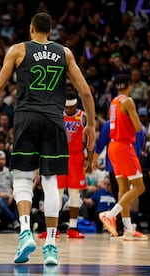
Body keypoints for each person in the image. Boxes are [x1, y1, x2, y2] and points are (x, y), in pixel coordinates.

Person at [0, 12, 96, 265]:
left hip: (27, 118)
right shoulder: (66, 53)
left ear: (31, 29)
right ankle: (51, 244)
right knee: (51, 182)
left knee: (23, 178)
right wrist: (91, 126)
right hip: (54, 120)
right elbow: (85, 90)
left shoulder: (18, 50)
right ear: (50, 31)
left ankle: (26, 231)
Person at [98, 74, 148, 241]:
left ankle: (128, 229)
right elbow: (137, 126)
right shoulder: (128, 101)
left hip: (113, 147)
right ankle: (110, 215)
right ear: (129, 86)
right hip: (124, 146)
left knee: (123, 189)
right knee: (140, 187)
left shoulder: (113, 102)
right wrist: (140, 144)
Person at [54, 91, 92, 239]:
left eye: (71, 108)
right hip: (60, 156)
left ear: (76, 104)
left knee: (74, 193)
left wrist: (90, 159)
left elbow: (90, 137)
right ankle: (54, 228)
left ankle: (73, 227)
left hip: (77, 157)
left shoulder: (83, 116)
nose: (68, 110)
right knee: (57, 193)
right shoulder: (58, 114)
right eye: (66, 108)